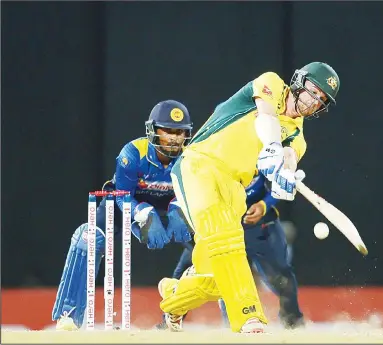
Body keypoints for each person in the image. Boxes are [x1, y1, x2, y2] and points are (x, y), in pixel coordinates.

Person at [159, 62, 340, 333]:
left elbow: (290, 158)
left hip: (235, 188)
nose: (314, 102)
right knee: (226, 243)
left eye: (321, 100)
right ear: (299, 81)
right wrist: (271, 148)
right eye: (313, 92)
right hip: (199, 166)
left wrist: (285, 180)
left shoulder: (297, 135)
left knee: (218, 276)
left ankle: (173, 297)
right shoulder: (273, 84)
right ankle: (249, 316)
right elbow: (265, 116)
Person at [52, 100, 194, 330]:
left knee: (209, 248)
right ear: (153, 130)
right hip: (127, 202)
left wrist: (179, 209)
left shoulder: (192, 157)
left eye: (180, 132)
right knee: (88, 239)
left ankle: (176, 317)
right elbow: (121, 195)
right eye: (168, 131)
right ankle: (68, 315)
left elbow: (194, 190)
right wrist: (143, 214)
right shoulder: (132, 153)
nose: (175, 138)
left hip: (172, 204)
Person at [157, 171, 304, 330]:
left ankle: (293, 324)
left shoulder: (258, 150)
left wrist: (265, 203)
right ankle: (171, 319)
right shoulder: (205, 154)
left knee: (281, 276)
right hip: (218, 226)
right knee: (192, 272)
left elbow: (280, 181)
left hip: (260, 227)